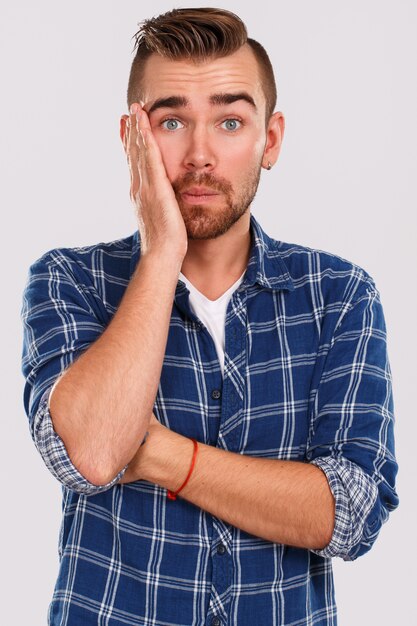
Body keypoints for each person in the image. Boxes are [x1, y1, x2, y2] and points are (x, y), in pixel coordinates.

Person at [21, 7, 399, 626]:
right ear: (131, 139)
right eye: (171, 121)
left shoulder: (339, 294)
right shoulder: (69, 280)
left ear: (269, 140)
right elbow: (87, 455)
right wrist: (162, 248)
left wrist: (158, 453)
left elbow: (350, 515)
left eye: (229, 121)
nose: (199, 155)